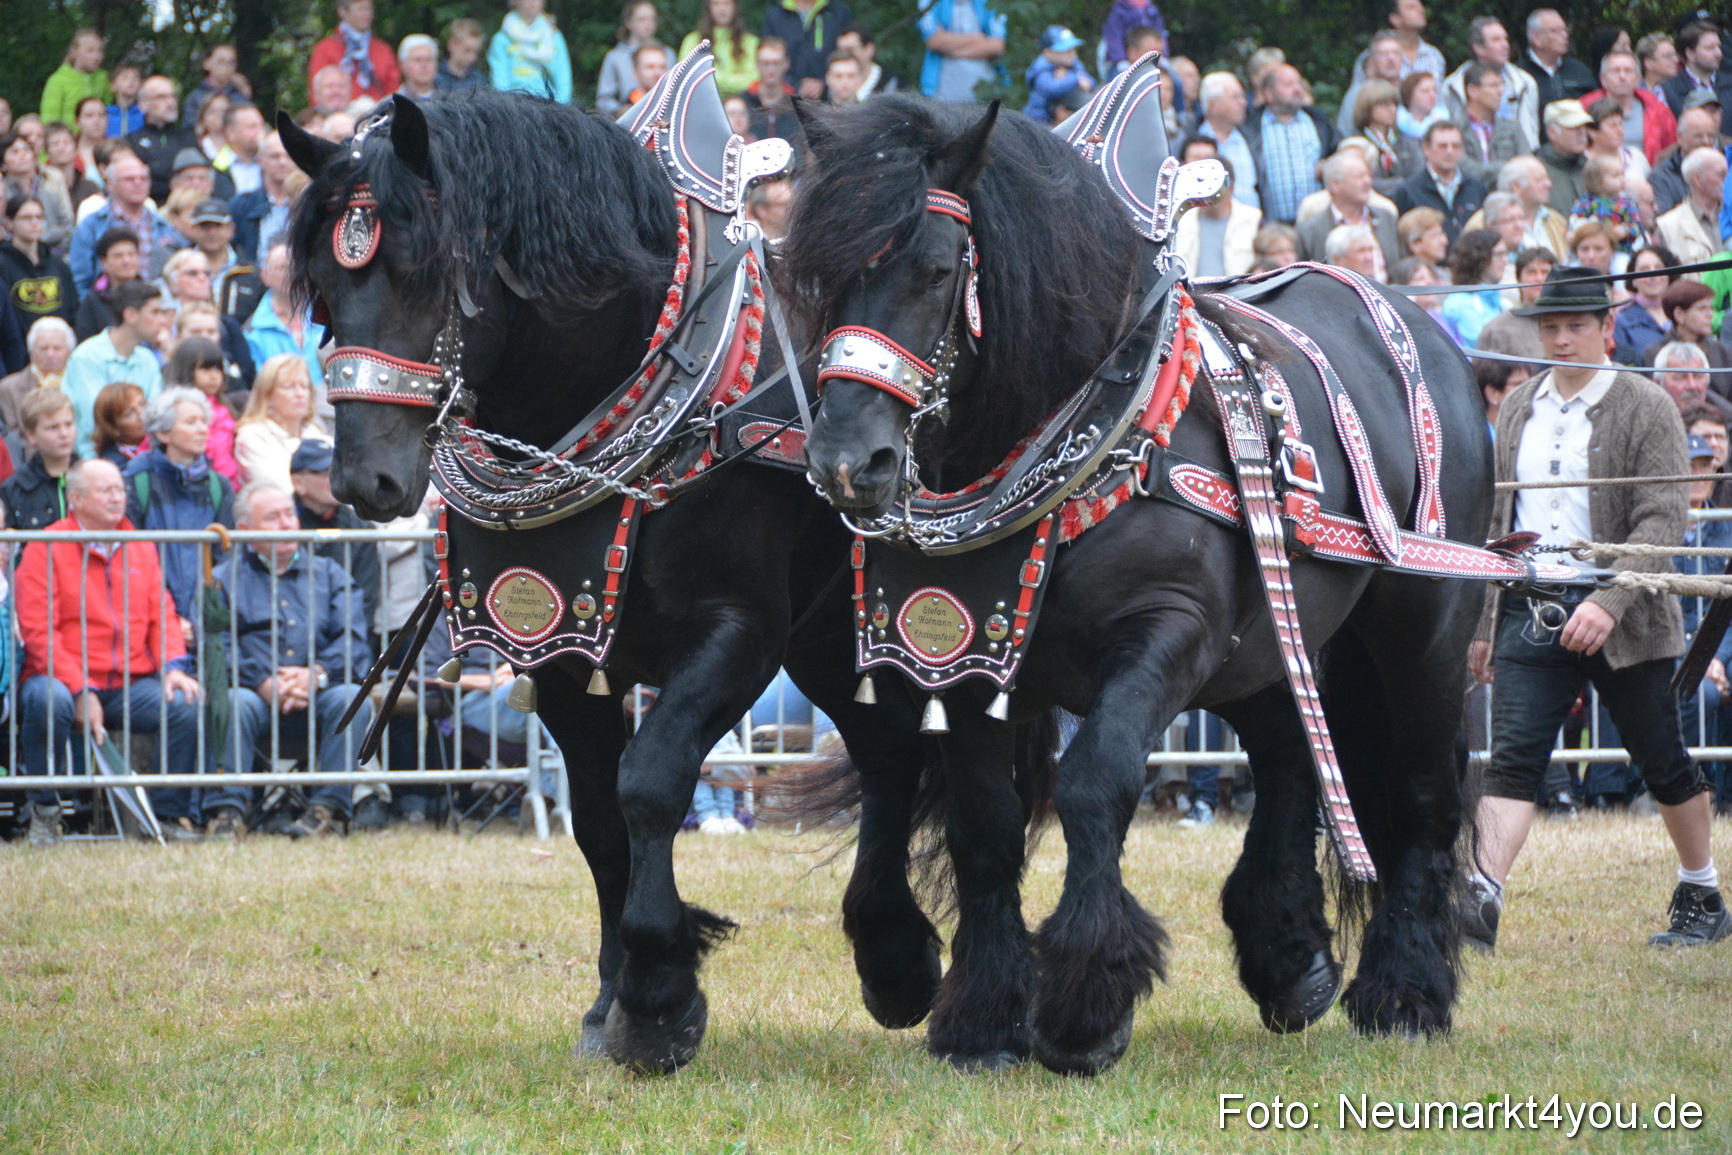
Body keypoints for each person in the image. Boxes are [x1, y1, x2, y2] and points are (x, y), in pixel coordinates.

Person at [1465, 266, 1728, 951]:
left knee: (1663, 760)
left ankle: (1701, 890)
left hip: (1629, 614)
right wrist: (1486, 623)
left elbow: (1663, 520)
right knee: (1512, 761)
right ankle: (1480, 899)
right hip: (1533, 603)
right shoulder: (1519, 407)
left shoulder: (1647, 405)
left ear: (1607, 328)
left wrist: (1609, 599)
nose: (1560, 338)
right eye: (1549, 327)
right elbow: (1501, 518)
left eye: (1575, 325)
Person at [15, 457, 206, 844]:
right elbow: (38, 633)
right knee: (48, 700)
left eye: (120, 489)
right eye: (106, 490)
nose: (118, 497)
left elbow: (162, 616)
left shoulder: (140, 544)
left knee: (184, 702)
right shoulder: (45, 545)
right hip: (57, 678)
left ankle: (167, 817)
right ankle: (45, 811)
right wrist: (80, 688)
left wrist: (172, 666)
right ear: (78, 499)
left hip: (129, 683)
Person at [204, 481, 374, 840]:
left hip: (318, 692)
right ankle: (228, 814)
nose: (286, 524)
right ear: (245, 530)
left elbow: (354, 641)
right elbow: (216, 647)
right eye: (272, 517)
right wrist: (263, 681)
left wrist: (316, 674)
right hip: (253, 695)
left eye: (288, 514)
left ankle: (325, 811)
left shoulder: (330, 573)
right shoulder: (221, 580)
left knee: (350, 699)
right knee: (234, 702)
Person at [122, 386, 234, 622]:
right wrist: (166, 616)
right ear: (163, 433)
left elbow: (226, 557)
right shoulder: (136, 482)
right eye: (191, 422)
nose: (202, 429)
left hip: (206, 617)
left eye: (204, 422)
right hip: (153, 616)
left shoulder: (218, 486)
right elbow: (132, 560)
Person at [286, 438, 381, 630]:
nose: (335, 477)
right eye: (324, 472)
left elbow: (365, 600)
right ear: (298, 482)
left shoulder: (361, 528)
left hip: (344, 640)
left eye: (337, 469)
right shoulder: (280, 526)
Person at [63, 279, 165, 457]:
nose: (162, 321)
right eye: (155, 312)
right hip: (94, 460)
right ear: (131, 315)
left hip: (143, 458)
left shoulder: (147, 359)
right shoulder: (87, 356)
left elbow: (155, 415)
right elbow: (94, 422)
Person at [67, 154, 175, 293]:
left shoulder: (163, 226)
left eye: (143, 179)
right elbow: (80, 282)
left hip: (154, 304)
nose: (138, 183)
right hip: (107, 305)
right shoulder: (91, 226)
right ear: (110, 185)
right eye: (129, 179)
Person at [1243, 64, 1337, 225]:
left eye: (1298, 83)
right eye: (1288, 85)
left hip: (1316, 223)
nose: (1297, 89)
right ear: (1268, 94)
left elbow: (1338, 154)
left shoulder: (1318, 122)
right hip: (1272, 227)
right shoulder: (1251, 128)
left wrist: (1330, 166)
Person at [234, 353, 331, 492]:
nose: (299, 393)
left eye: (304, 386)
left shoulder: (317, 434)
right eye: (289, 386)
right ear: (267, 395)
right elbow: (280, 489)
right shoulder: (252, 437)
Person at [1443, 17, 1541, 152]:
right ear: (1478, 48)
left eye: (1505, 39)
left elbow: (1531, 132)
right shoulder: (1453, 86)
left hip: (1519, 162)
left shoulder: (1525, 83)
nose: (1505, 45)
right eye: (1496, 40)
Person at [1296, 150, 1397, 276]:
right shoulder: (1310, 230)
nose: (1367, 182)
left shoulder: (1386, 217)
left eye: (1368, 176)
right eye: (1359, 176)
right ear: (1335, 185)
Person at [245, 244, 325, 393]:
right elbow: (260, 385)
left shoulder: (328, 318)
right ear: (265, 276)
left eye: (297, 267)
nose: (291, 274)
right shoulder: (252, 330)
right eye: (282, 268)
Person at [162, 336, 241, 483]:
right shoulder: (170, 409)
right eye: (205, 369)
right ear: (186, 370)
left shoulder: (224, 410)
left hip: (226, 485)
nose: (214, 376)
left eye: (218, 369)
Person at [1581, 48, 1677, 167]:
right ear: (1603, 80)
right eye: (1615, 71)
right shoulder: (1584, 110)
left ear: (1637, 79)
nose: (1622, 76)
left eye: (1628, 71)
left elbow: (1672, 152)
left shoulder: (1658, 110)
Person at [1393, 121, 1487, 241]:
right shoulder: (1408, 191)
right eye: (1442, 146)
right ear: (1425, 149)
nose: (1450, 151)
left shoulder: (1476, 188)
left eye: (1455, 146)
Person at [1174, 157, 1258, 277]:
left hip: (1238, 293)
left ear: (1231, 188)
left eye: (1214, 190)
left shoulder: (1253, 220)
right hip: (1189, 293)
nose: (1208, 196)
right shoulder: (1180, 220)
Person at [1, 195, 78, 325]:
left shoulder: (58, 265)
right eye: (27, 218)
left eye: (39, 217)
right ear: (9, 223)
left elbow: (73, 309)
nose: (34, 223)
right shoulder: (3, 264)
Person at [125, 77, 200, 207]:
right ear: (143, 104)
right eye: (161, 97)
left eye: (173, 97)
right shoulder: (131, 141)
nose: (170, 103)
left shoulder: (189, 138)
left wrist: (154, 169)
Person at [0, 316, 72, 450]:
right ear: (31, 352)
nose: (50, 354)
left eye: (57, 348)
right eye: (43, 348)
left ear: (69, 352)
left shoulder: (81, 384)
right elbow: (13, 440)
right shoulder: (8, 388)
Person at [308, 0, 400, 105]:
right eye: (361, 9)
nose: (367, 14)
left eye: (369, 9)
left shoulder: (382, 49)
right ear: (342, 12)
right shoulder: (325, 49)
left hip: (377, 115)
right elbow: (317, 91)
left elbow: (392, 88)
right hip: (339, 115)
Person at [917, 0, 1005, 103]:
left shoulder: (990, 3)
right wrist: (977, 38)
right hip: (942, 94)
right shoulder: (929, 2)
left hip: (984, 96)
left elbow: (997, 46)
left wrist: (952, 50)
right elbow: (934, 41)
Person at [1478, 246, 1555, 362]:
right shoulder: (1499, 328)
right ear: (1519, 279)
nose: (1539, 278)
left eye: (1545, 272)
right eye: (1531, 272)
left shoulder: (1570, 322)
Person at [766, 0, 853, 101]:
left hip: (832, 98)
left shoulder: (839, 12)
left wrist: (824, 82)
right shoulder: (776, 15)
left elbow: (846, 56)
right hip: (786, 99)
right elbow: (768, 57)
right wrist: (795, 85)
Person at [1196, 72, 1259, 211]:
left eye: (1242, 96)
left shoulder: (1252, 138)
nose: (1243, 103)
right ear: (1213, 105)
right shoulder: (1192, 141)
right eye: (1235, 97)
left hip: (1252, 224)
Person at [1643, 279, 1732, 376]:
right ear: (1679, 315)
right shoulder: (1656, 353)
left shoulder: (1721, 351)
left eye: (1711, 308)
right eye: (1702, 308)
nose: (1710, 315)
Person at [1455, 63, 1525, 184]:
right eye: (1493, 86)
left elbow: (1527, 166)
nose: (1501, 91)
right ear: (1472, 91)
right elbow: (1463, 168)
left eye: (1502, 85)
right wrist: (1507, 168)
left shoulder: (1513, 128)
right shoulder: (1453, 129)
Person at [490, 0, 572, 103]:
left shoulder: (554, 37)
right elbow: (500, 85)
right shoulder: (502, 39)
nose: (533, 2)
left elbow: (563, 83)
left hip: (549, 108)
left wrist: (559, 111)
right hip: (514, 107)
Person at [1438, 228, 1509, 347]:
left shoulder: (1502, 303)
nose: (1506, 260)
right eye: (1499, 255)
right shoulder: (1460, 303)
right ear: (1479, 258)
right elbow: (1488, 348)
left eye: (1506, 254)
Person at [1656, 146, 1725, 267]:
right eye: (1721, 175)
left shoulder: (1728, 215)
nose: (1728, 180)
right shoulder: (1668, 226)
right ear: (1697, 179)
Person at [1659, 21, 1732, 133]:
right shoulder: (1666, 90)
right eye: (1710, 48)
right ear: (1690, 54)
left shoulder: (1730, 83)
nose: (1719, 53)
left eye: (1718, 46)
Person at [1518, 9, 1597, 111]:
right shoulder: (1519, 74)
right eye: (1555, 31)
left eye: (1565, 30)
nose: (1564, 36)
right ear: (1536, 38)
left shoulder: (1579, 70)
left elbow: (1597, 107)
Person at [1613, 244, 1680, 364]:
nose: (1653, 275)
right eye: (1644, 269)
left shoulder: (1683, 313)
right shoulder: (1622, 321)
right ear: (1633, 280)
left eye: (1659, 268)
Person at [1650, 103, 1720, 216]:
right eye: (1698, 136)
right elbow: (1663, 222)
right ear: (1680, 138)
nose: (1706, 142)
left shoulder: (1724, 171)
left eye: (1710, 136)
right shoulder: (1661, 177)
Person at [1567, 153, 1643, 256]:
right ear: (1597, 181)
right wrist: (1570, 233)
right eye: (1615, 175)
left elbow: (1637, 225)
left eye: (1622, 175)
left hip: (1618, 251)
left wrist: (1624, 230)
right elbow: (1574, 221)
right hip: (1590, 253)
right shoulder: (1585, 203)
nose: (1622, 179)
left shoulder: (1626, 203)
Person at [682, 0, 759, 98]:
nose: (722, 9)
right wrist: (736, 78)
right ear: (708, 8)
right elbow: (687, 77)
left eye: (727, 4)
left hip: (741, 106)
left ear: (735, 7)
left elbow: (752, 81)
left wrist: (707, 75)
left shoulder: (751, 43)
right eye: (716, 4)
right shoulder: (692, 41)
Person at [1337, 31, 1406, 139]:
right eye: (1383, 54)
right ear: (1372, 60)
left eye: (1396, 53)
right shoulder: (1357, 94)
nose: (1391, 59)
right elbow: (1344, 134)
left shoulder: (1412, 91)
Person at [598, 1, 662, 115]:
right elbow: (604, 100)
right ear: (629, 22)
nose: (648, 24)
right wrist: (621, 110)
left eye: (651, 19)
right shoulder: (615, 57)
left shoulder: (667, 54)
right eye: (642, 19)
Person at [38, 29, 111, 129]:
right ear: (74, 52)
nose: (97, 56)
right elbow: (50, 119)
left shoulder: (103, 78)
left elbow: (109, 109)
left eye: (100, 51)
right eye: (90, 50)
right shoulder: (58, 80)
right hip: (68, 141)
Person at [1024, 27, 1092, 126]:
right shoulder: (1041, 69)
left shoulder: (1073, 64)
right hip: (1040, 120)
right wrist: (1075, 79)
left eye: (1073, 50)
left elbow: (1089, 83)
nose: (1072, 55)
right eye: (1066, 51)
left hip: (1064, 111)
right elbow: (1050, 89)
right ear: (1048, 53)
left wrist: (1068, 77)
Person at [1536, 98, 1592, 215]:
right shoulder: (1537, 171)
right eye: (1574, 127)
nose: (1582, 132)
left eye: (1583, 126)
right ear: (1552, 132)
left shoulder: (1592, 167)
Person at [183, 43, 251, 131]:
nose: (226, 67)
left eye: (231, 63)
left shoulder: (238, 94)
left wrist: (246, 92)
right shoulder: (195, 97)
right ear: (206, 64)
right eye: (221, 62)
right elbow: (189, 128)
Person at [744, 39, 799, 146]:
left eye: (776, 63)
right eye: (765, 63)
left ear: (786, 64)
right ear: (757, 64)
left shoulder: (797, 105)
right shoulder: (744, 103)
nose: (771, 69)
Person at [89, 381, 146, 469]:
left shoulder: (165, 443)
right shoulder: (113, 467)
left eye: (142, 404)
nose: (142, 415)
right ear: (112, 427)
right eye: (129, 413)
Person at [836, 25, 895, 99]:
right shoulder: (832, 88)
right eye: (840, 51)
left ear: (868, 50)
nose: (844, 56)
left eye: (850, 50)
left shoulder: (892, 85)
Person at [437, 18, 490, 95]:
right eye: (467, 50)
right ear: (451, 45)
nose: (472, 57)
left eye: (476, 52)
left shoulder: (479, 79)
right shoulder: (435, 77)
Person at [396, 36, 440, 102]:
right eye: (417, 60)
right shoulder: (391, 104)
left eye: (429, 60)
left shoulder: (451, 104)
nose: (424, 65)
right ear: (402, 65)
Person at [106, 64, 143, 138]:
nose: (131, 81)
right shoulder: (105, 114)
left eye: (135, 78)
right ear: (113, 86)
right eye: (124, 77)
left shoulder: (145, 114)